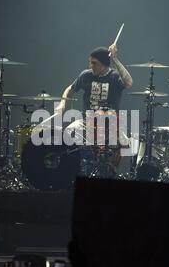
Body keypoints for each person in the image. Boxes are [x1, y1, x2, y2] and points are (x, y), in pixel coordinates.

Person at [55, 44, 133, 176]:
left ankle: (111, 170)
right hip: (88, 121)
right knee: (69, 132)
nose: (90, 65)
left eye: (94, 63)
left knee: (125, 142)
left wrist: (115, 59)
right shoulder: (86, 75)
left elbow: (129, 82)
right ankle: (78, 167)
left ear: (103, 64)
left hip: (110, 123)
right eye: (90, 62)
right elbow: (70, 89)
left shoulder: (114, 77)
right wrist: (62, 103)